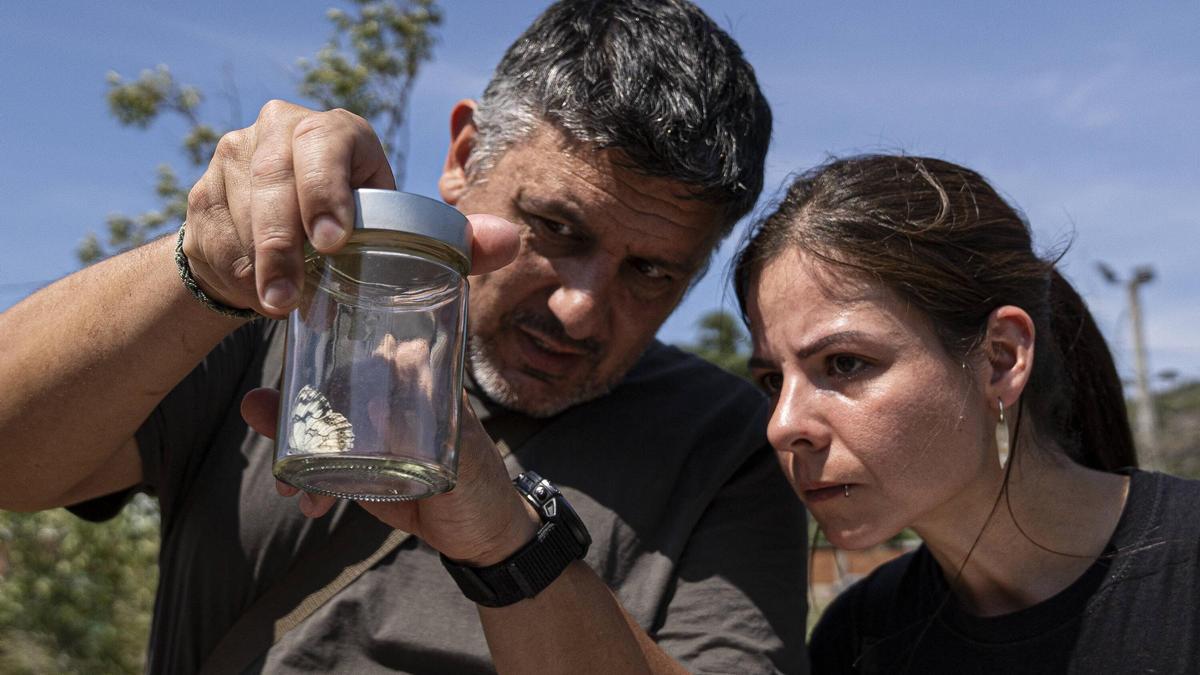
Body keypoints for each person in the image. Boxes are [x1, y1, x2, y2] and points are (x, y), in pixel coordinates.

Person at [0, 1, 809, 673]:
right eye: (557, 228)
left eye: (653, 273)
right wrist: (207, 267)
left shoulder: (728, 446)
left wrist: (508, 542)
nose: (581, 310)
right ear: (463, 153)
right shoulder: (280, 314)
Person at [733, 154, 1200, 673]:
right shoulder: (862, 636)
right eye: (773, 381)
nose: (782, 426)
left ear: (1000, 359)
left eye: (844, 363)